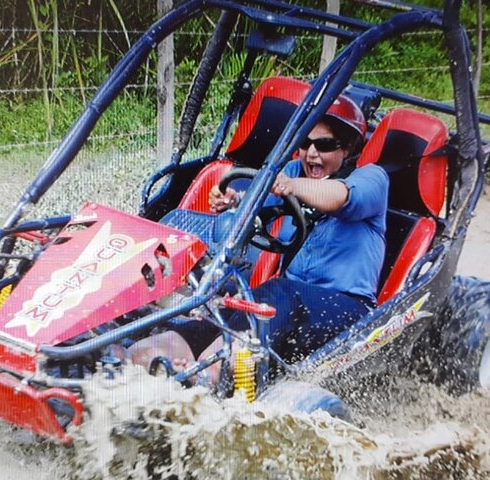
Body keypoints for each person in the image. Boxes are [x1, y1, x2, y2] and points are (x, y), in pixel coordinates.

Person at [129, 95, 388, 375]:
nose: (311, 154)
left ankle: (209, 374)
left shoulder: (371, 179)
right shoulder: (294, 171)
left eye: (324, 145)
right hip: (287, 305)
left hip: (348, 310)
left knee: (276, 293)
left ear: (347, 148)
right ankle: (143, 358)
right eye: (305, 143)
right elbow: (258, 199)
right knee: (220, 306)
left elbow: (340, 197)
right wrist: (234, 200)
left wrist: (290, 185)